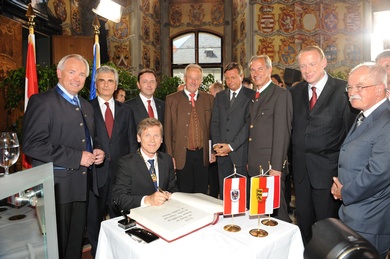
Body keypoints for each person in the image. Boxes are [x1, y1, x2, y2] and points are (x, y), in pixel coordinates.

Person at [22, 54, 105, 259]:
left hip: (82, 186)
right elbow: (31, 145)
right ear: (59, 73)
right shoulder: (42, 101)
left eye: (82, 74)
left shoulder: (86, 105)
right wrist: (77, 157)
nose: (77, 78)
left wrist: (97, 150)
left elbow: (89, 138)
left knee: (74, 246)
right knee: (56, 247)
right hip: (56, 189)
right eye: (72, 72)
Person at [290, 46, 357, 245]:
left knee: (327, 228)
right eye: (303, 66)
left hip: (328, 174)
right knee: (303, 223)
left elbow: (350, 136)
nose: (307, 70)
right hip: (301, 174)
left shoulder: (343, 91)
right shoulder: (295, 92)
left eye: (312, 64)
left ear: (324, 63)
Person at [331, 63, 390, 258]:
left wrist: (344, 192)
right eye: (349, 87)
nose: (352, 92)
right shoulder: (364, 115)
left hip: (370, 218)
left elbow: (379, 172)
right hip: (353, 213)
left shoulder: (386, 120)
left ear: (380, 88)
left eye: (360, 87)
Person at [87, 66, 137, 257]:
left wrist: (132, 173)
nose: (106, 84)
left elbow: (132, 142)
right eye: (102, 80)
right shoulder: (86, 108)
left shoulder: (127, 111)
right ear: (96, 84)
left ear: (116, 85)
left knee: (121, 219)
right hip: (94, 176)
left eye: (110, 81)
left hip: (120, 176)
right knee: (93, 220)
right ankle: (98, 253)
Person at [247, 55, 292, 222]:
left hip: (269, 166)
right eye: (252, 70)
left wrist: (276, 167)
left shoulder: (280, 94)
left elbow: (282, 133)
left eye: (260, 69)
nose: (256, 73)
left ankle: (290, 245)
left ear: (269, 70)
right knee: (261, 212)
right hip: (254, 164)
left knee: (277, 213)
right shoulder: (254, 96)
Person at [164, 64, 214, 194]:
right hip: (181, 154)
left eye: (197, 78)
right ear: (185, 79)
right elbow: (167, 131)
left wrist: (212, 151)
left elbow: (213, 128)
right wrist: (170, 157)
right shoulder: (171, 99)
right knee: (184, 193)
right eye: (191, 78)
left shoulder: (209, 99)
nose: (194, 81)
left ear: (201, 80)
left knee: (202, 193)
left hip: (202, 155)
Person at [112, 118, 178, 212]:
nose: (152, 140)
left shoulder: (167, 160)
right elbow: (119, 198)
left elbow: (173, 188)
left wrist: (169, 194)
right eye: (147, 135)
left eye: (156, 135)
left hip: (166, 212)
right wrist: (148, 200)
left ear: (162, 139)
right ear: (138, 138)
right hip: (139, 216)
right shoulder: (126, 163)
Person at [211, 62, 254, 199]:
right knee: (225, 194)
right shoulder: (220, 96)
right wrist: (217, 145)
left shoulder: (251, 95)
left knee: (241, 195)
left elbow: (248, 126)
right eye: (227, 78)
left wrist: (231, 146)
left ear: (241, 76)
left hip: (240, 153)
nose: (230, 81)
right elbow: (215, 122)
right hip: (222, 154)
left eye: (233, 77)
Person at [207, 81, 224, 198]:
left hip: (221, 149)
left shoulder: (219, 107)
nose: (208, 95)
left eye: (210, 92)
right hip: (214, 148)